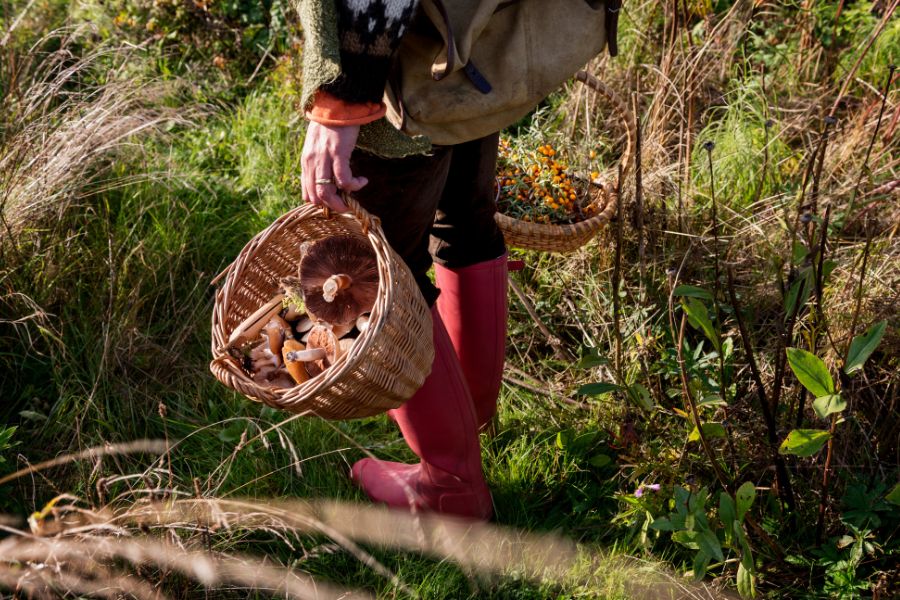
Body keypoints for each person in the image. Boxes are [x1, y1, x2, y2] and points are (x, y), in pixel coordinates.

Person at [295, 0, 618, 520]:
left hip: (399, 64)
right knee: (463, 220)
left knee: (372, 272)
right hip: (463, 51)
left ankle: (451, 487)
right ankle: (468, 417)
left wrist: (343, 99)